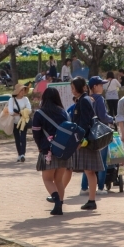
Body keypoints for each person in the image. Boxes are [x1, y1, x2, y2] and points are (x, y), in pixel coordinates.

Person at [32, 87, 72, 216]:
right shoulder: (64, 113)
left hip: (48, 150)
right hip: (64, 151)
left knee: (48, 179)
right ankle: (59, 206)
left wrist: (40, 146)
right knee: (58, 180)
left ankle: (57, 202)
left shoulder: (40, 113)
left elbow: (36, 133)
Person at [68, 77, 104, 210]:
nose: (72, 91)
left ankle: (92, 200)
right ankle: (91, 200)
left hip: (86, 140)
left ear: (81, 87)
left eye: (73, 88)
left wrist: (80, 139)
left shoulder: (84, 100)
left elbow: (84, 122)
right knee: (89, 171)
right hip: (87, 139)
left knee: (89, 170)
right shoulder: (85, 99)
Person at [80, 76, 114, 195]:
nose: (102, 87)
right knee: (101, 162)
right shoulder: (99, 99)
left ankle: (84, 188)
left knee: (87, 163)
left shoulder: (86, 99)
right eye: (100, 85)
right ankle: (100, 188)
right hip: (100, 134)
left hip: (88, 133)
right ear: (95, 87)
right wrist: (112, 119)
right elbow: (103, 116)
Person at [8, 83, 32, 162]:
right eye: (21, 90)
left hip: (23, 121)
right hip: (15, 122)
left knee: (23, 137)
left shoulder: (26, 99)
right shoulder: (12, 100)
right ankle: (19, 154)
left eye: (24, 90)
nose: (23, 91)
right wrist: (20, 112)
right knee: (17, 138)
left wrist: (20, 112)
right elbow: (10, 112)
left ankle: (23, 154)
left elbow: (29, 110)